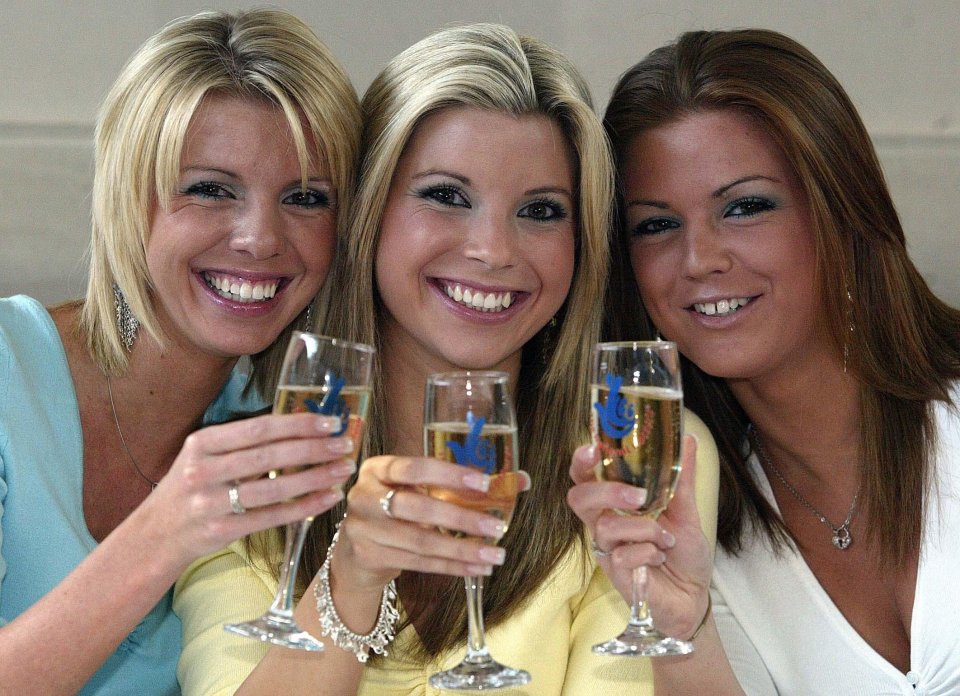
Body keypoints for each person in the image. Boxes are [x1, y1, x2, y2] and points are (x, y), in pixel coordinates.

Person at [173, 23, 719, 696]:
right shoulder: (237, 473)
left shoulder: (633, 463)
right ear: (369, 212)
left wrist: (684, 633)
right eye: (447, 196)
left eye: (541, 210)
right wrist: (349, 583)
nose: (493, 250)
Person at [568, 28, 960, 695]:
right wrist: (682, 629)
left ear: (841, 211)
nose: (700, 260)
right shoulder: (689, 524)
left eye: (745, 207)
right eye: (657, 225)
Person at [0, 9, 362, 695]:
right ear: (127, 197)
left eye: (306, 198)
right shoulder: (6, 368)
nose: (260, 237)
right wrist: (166, 531)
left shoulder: (281, 425)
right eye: (210, 189)